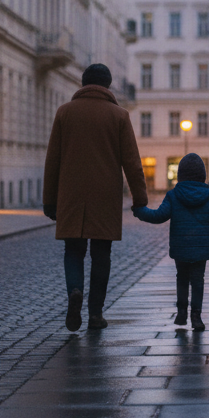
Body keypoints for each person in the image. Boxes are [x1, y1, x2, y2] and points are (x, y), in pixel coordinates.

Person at [43, 64, 148, 331]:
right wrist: (140, 199)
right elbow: (132, 162)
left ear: (83, 83)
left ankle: (75, 290)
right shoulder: (119, 116)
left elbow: (52, 160)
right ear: (108, 85)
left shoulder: (65, 112)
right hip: (105, 198)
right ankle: (95, 314)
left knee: (73, 251)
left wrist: (49, 200)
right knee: (102, 255)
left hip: (71, 195)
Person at [132, 153, 209, 331]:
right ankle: (196, 317)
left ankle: (181, 313)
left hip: (180, 248)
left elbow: (158, 216)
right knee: (198, 281)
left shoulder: (173, 195)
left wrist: (140, 211)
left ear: (180, 175)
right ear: (202, 175)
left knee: (182, 279)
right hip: (201, 250)